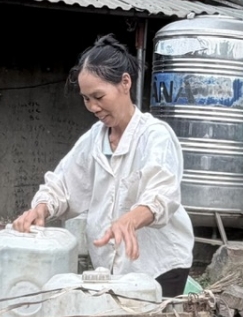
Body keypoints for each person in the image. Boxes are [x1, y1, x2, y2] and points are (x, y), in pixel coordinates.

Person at [13, 35, 194, 298]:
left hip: (158, 265)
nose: (93, 107)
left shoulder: (155, 136)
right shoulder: (93, 141)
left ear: (124, 82)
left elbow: (162, 194)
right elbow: (64, 183)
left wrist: (130, 220)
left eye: (98, 96)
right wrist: (41, 208)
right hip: (111, 269)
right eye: (86, 99)